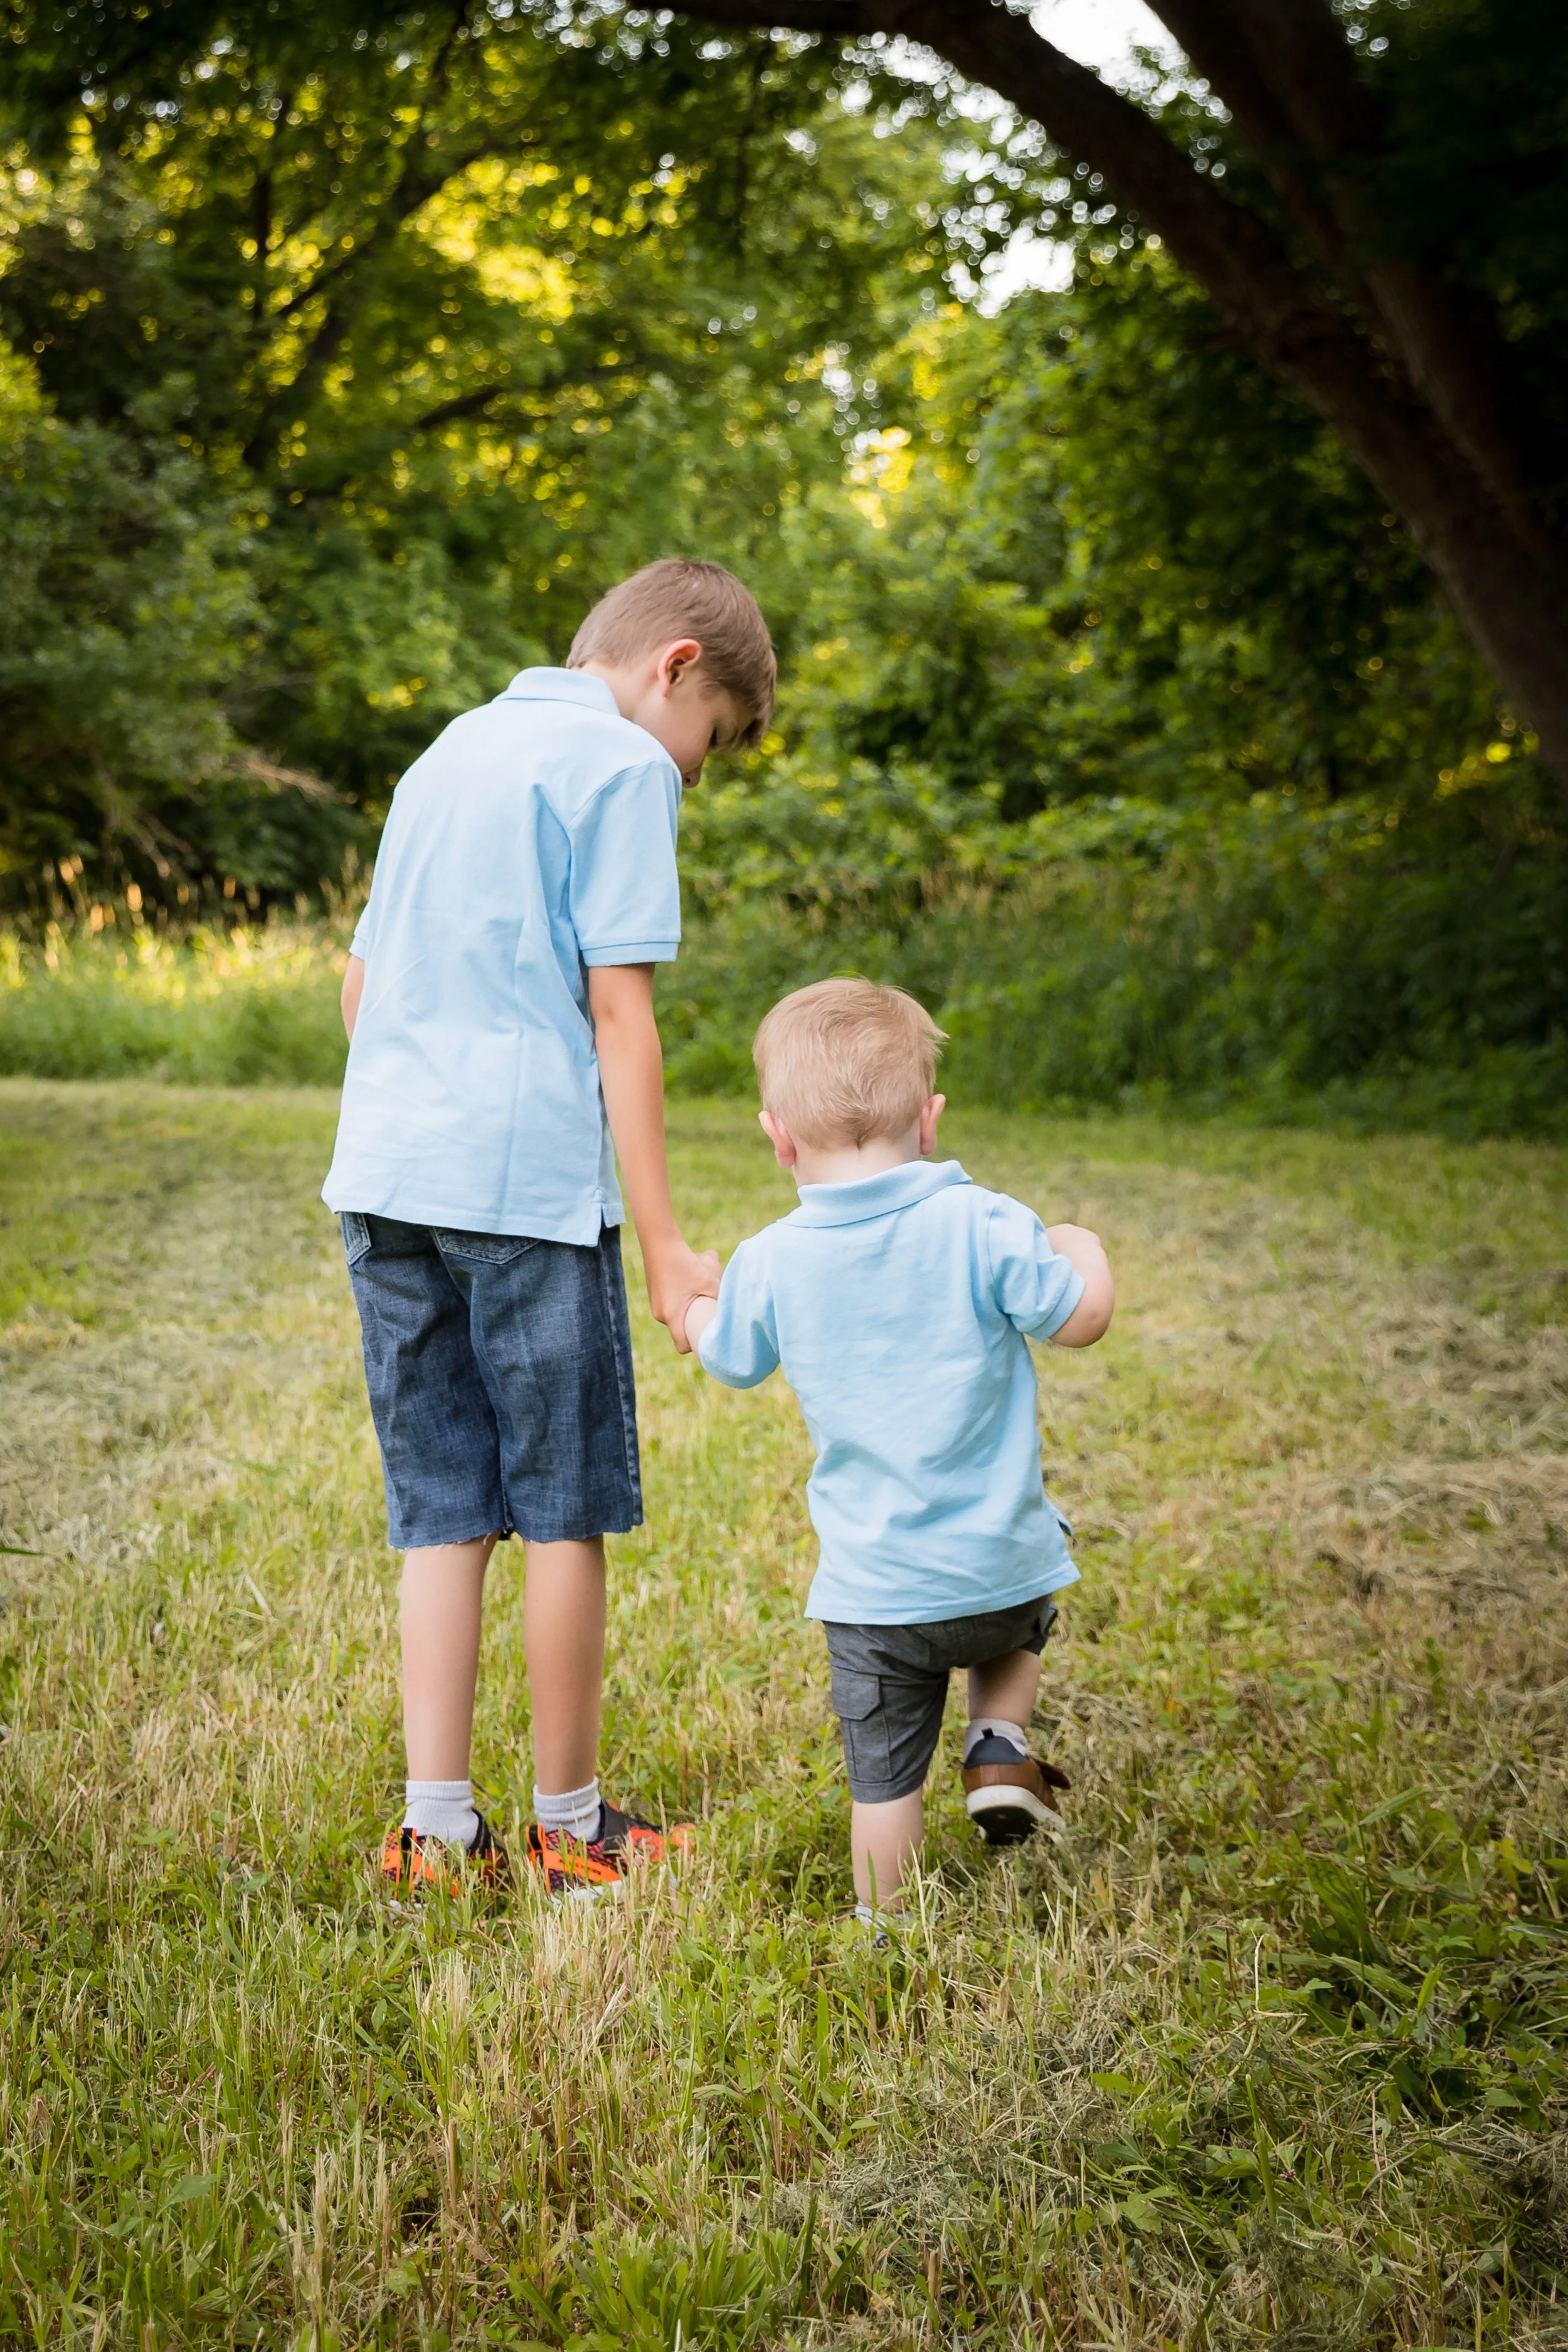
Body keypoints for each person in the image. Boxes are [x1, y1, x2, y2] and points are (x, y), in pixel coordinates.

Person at [323, 558, 775, 1900]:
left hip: (387, 1175)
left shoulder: (448, 750)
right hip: (521, 1193)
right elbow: (620, 1017)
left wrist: (423, 1108)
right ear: (674, 670)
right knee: (562, 1507)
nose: (697, 773)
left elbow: (360, 983)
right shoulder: (621, 771)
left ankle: (435, 1830)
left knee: (441, 1512)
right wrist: (668, 1244)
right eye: (716, 744)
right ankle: (573, 1827)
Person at [683, 978, 1113, 1926]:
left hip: (877, 1598)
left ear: (778, 1138)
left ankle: (888, 1932)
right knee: (1034, 1564)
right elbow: (1081, 1315)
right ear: (929, 1119)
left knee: (883, 1785)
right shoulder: (987, 1220)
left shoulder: (772, 1256)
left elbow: (732, 1357)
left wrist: (697, 1303)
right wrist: (1079, 1241)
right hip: (1000, 1569)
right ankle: (1000, 1738)